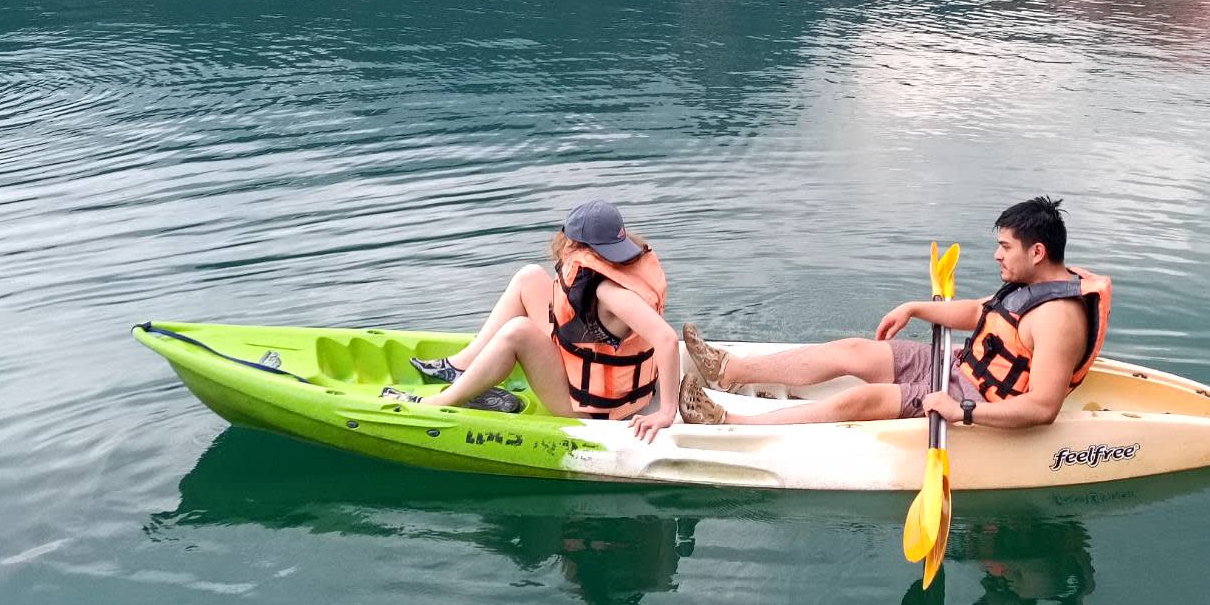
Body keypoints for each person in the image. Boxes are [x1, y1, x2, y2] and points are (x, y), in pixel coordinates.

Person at [678, 197, 1109, 429]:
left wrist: (964, 412)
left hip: (975, 400)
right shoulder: (1034, 281)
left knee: (863, 399)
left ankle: (727, 421)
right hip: (958, 366)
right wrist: (916, 308)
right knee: (854, 351)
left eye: (1005, 247)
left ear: (1037, 251)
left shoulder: (1059, 320)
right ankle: (730, 370)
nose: (997, 255)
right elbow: (985, 312)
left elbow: (1043, 407)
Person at [384, 200, 681, 442]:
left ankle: (438, 403)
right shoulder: (622, 270)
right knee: (530, 277)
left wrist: (666, 412)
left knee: (519, 332)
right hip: (594, 374)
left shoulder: (610, 292)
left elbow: (666, 339)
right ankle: (462, 366)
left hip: (593, 410)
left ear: (578, 246)